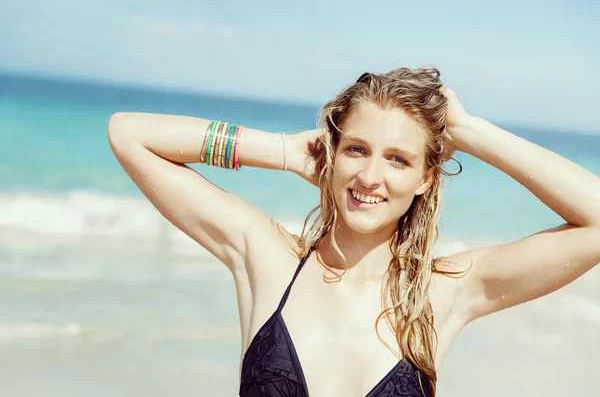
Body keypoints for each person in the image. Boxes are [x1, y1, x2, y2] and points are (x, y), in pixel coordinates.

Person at [107, 67, 600, 397]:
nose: (370, 178)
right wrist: (280, 150)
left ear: (426, 178)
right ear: (332, 153)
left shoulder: (444, 293)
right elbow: (129, 136)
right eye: (357, 150)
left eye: (399, 159)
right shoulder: (270, 260)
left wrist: (469, 131)